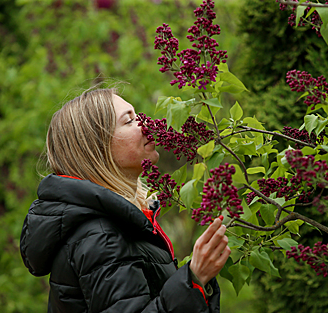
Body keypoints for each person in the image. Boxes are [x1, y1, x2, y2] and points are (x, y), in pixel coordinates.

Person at [19, 88, 231, 313]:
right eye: (129, 121)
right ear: (97, 148)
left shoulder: (118, 224)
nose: (147, 124)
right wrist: (193, 281)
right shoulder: (103, 237)